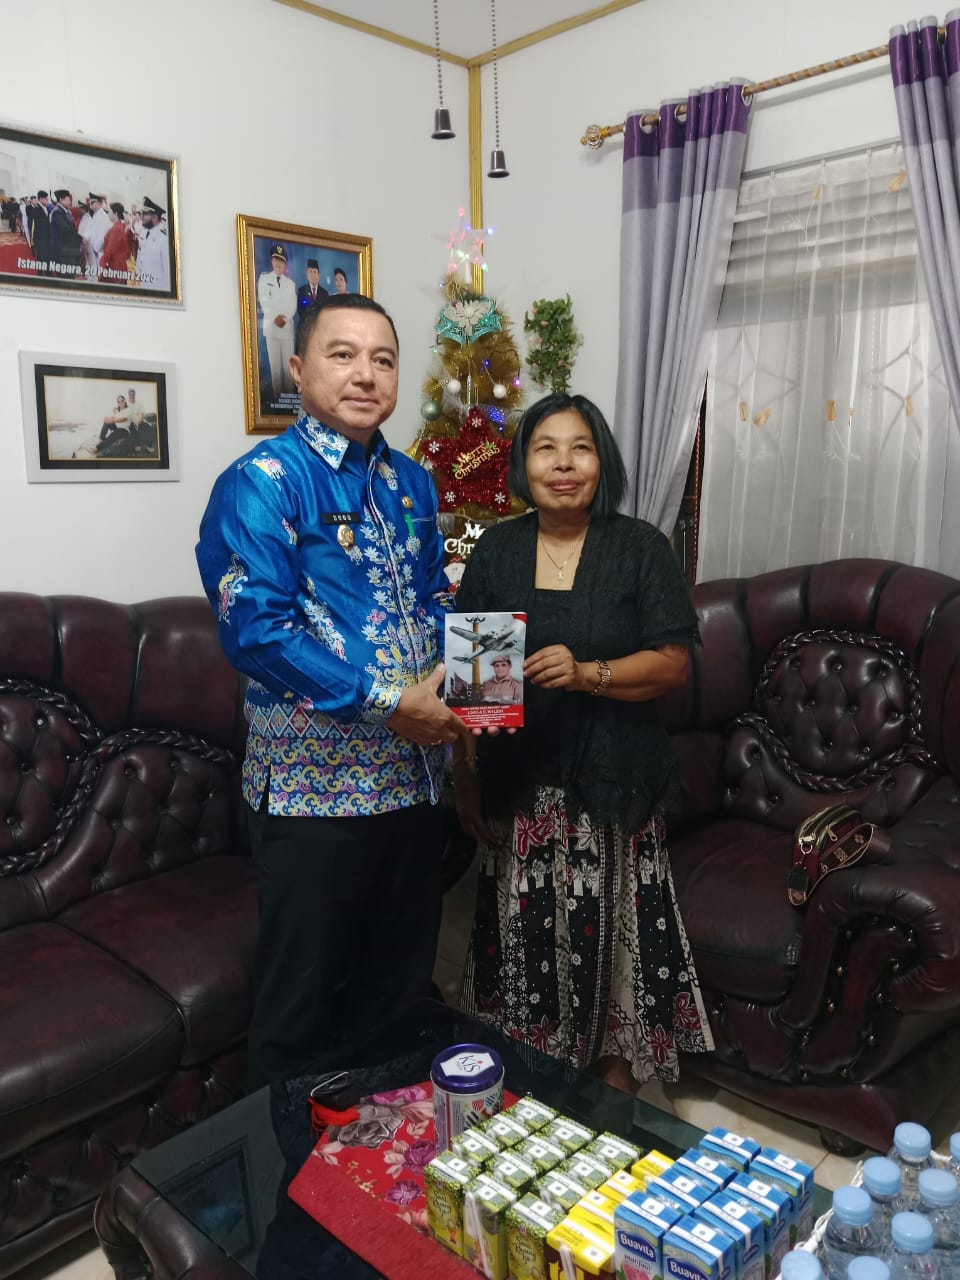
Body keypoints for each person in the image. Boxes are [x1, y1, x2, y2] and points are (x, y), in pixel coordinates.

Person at [196, 292, 465, 1088]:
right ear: (299, 367)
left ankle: (388, 1152)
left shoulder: (412, 483)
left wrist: (469, 682)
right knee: (301, 1012)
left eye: (383, 359)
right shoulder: (263, 483)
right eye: (343, 354)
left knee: (398, 995)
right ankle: (287, 1161)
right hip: (314, 799)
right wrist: (389, 703)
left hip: (413, 782)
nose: (365, 374)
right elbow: (257, 631)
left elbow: (433, 598)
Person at [454, 392, 713, 1093]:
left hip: (615, 787)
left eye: (580, 448)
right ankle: (532, 1087)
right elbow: (476, 687)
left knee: (613, 959)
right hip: (521, 791)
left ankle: (612, 1094)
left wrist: (587, 673)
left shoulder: (639, 548)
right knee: (525, 952)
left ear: (603, 462)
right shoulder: (498, 551)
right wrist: (467, 777)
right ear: (523, 464)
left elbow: (672, 664)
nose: (563, 464)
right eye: (546, 448)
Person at [257, 243, 297, 400]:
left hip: (286, 331)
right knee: (274, 368)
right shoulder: (264, 279)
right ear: (272, 261)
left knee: (288, 369)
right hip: (272, 330)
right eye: (276, 260)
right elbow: (264, 300)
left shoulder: (290, 283)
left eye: (281, 260)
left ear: (285, 263)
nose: (278, 263)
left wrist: (284, 318)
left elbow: (292, 305)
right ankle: (277, 399)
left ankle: (288, 399)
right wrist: (275, 317)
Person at [136, 196, 170, 290]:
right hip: (144, 285)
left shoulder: (164, 239)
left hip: (157, 288)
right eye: (142, 213)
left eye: (145, 214)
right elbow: (140, 255)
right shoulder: (145, 232)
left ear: (155, 217)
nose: (141, 217)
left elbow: (168, 272)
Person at [48, 189, 83, 274]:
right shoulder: (57, 213)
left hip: (67, 251)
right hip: (62, 252)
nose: (70, 202)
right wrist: (81, 239)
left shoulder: (65, 211)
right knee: (65, 276)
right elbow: (67, 230)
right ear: (61, 199)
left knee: (69, 275)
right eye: (68, 200)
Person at [78, 193, 110, 276]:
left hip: (98, 252)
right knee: (92, 274)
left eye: (92, 203)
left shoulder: (103, 217)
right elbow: (91, 230)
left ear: (99, 203)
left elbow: (102, 236)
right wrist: (85, 237)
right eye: (90, 203)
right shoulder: (96, 215)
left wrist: (95, 249)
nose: (90, 205)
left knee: (97, 276)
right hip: (93, 252)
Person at [296, 257, 328, 323]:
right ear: (307, 274)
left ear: (319, 275)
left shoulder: (325, 293)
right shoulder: (301, 291)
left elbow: (326, 311)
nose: (313, 274)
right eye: (310, 271)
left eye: (315, 272)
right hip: (306, 325)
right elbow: (300, 311)